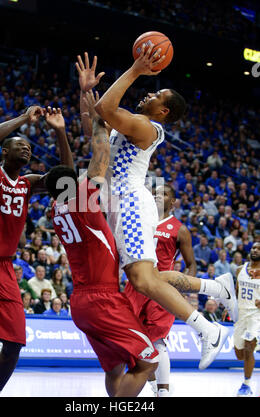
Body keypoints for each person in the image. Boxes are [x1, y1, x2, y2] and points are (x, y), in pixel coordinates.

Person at [77, 50, 236, 370]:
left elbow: (105, 109)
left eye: (156, 94)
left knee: (142, 281)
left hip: (131, 204)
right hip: (120, 205)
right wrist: (84, 93)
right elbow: (95, 132)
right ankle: (215, 288)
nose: (149, 92)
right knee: (144, 278)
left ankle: (209, 330)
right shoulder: (132, 125)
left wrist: (136, 69)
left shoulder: (148, 128)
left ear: (163, 110)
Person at [45, 90, 160, 397]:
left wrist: (61, 133)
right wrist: (99, 113)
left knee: (114, 367)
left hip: (80, 302)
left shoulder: (57, 209)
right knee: (149, 362)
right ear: (74, 186)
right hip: (102, 300)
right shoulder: (82, 198)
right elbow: (101, 157)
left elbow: (66, 172)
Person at [0, 104, 68, 397]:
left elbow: (67, 182)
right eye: (19, 145)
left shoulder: (28, 184)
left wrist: (60, 133)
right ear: (4, 152)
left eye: (29, 147)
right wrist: (23, 119)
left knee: (16, 341)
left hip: (5, 268)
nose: (26, 149)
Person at [124, 182, 197, 397]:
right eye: (154, 193)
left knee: (157, 340)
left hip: (161, 286)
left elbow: (191, 264)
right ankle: (155, 387)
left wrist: (182, 289)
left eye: (163, 194)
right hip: (135, 285)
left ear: (172, 202)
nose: (157, 196)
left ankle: (163, 391)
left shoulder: (179, 229)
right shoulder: (140, 222)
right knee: (135, 339)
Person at [234, 242, 260, 397]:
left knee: (250, 347)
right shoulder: (240, 270)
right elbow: (236, 292)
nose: (255, 250)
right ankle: (248, 367)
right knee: (240, 354)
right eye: (254, 248)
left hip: (256, 315)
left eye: (259, 249)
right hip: (241, 315)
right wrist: (228, 308)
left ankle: (246, 384)